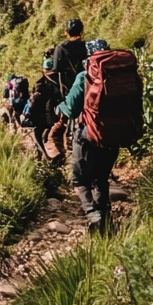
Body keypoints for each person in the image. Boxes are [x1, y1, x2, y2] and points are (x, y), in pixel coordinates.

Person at [56, 38, 118, 235]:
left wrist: (60, 107)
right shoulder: (119, 75)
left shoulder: (85, 76)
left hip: (88, 134)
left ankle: (93, 215)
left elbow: (71, 109)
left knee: (79, 179)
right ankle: (106, 220)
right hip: (113, 134)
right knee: (101, 178)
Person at [48, 19, 88, 160]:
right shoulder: (86, 46)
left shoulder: (61, 48)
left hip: (68, 87)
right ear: (82, 32)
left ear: (66, 32)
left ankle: (68, 148)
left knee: (68, 116)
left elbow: (56, 70)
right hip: (87, 86)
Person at [28, 58, 60, 158]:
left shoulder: (40, 84)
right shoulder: (60, 79)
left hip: (42, 115)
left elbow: (34, 102)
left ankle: (45, 155)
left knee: (38, 133)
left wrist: (30, 114)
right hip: (56, 113)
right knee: (46, 133)